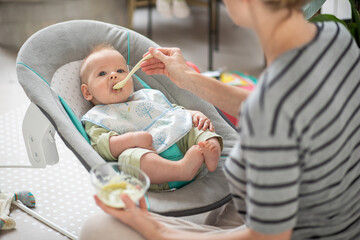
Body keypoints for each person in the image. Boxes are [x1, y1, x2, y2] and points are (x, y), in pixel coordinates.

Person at [80, 0, 360, 239]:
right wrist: (189, 79)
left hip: (285, 230)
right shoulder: (335, 37)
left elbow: (267, 237)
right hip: (329, 221)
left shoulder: (272, 115)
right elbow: (279, 106)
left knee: (99, 228)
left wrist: (157, 230)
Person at [80, 44, 223, 190]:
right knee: (128, 158)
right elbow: (102, 146)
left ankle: (211, 153)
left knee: (199, 126)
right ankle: (181, 169)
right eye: (102, 74)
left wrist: (193, 114)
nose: (113, 75)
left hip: (183, 144)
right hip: (156, 171)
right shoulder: (97, 117)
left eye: (120, 70)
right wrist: (133, 140)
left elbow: (172, 112)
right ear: (87, 92)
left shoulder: (146, 95)